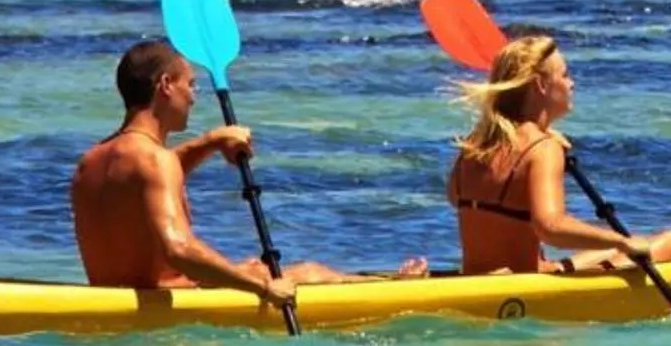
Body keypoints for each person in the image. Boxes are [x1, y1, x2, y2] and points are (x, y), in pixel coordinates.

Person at [73, 38, 424, 303]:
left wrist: (210, 142)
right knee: (310, 274)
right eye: (190, 85)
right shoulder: (155, 160)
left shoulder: (91, 162)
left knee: (253, 266)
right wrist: (262, 288)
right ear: (165, 85)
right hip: (170, 305)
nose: (194, 97)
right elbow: (178, 250)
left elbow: (146, 183)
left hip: (108, 297)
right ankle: (398, 289)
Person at [446, 31, 671, 276]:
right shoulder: (542, 149)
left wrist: (543, 134)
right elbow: (551, 228)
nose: (572, 83)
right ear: (540, 85)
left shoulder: (473, 147)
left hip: (486, 278)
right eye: (565, 74)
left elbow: (457, 198)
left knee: (620, 248)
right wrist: (621, 241)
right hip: (525, 286)